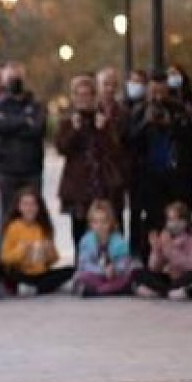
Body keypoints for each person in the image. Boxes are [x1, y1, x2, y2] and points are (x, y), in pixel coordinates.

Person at [126, 73, 192, 262]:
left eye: (161, 91)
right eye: (153, 91)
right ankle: (150, 256)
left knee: (177, 218)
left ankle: (181, 255)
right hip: (149, 176)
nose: (157, 96)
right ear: (147, 91)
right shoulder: (138, 111)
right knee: (152, 219)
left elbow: (190, 138)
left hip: (175, 175)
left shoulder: (179, 110)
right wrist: (145, 123)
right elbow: (130, 141)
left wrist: (171, 124)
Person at [55, 76, 126, 256]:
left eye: (87, 95)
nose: (83, 99)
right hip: (78, 187)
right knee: (79, 231)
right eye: (79, 95)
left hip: (102, 185)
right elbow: (63, 148)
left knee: (107, 229)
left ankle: (111, 270)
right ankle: (83, 271)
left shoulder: (103, 120)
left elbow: (115, 151)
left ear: (94, 96)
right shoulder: (68, 121)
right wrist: (75, 130)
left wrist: (103, 130)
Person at [0, 61, 47, 215]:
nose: (14, 80)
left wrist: (10, 124)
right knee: (8, 216)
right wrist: (24, 120)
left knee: (34, 216)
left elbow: (37, 129)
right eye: (10, 77)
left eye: (17, 76)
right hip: (6, 171)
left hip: (32, 171)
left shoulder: (36, 104)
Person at [134, 201, 192, 300]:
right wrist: (156, 249)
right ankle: (169, 290)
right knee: (140, 273)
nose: (172, 223)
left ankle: (167, 291)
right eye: (169, 219)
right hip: (174, 277)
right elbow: (154, 267)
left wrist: (170, 249)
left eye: (175, 219)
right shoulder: (167, 236)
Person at [0, 189, 73, 296]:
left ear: (38, 207)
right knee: (2, 270)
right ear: (19, 207)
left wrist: (49, 250)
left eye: (33, 204)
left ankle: (38, 287)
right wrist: (21, 250)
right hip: (21, 271)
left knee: (69, 269)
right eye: (25, 204)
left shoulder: (43, 226)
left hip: (39, 273)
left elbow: (54, 260)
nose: (29, 208)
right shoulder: (13, 227)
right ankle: (30, 286)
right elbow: (4, 258)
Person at [72, 200, 138, 297]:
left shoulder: (119, 242)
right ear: (90, 224)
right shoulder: (86, 241)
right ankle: (108, 290)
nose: (100, 226)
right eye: (96, 222)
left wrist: (114, 270)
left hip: (114, 276)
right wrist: (102, 271)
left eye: (104, 222)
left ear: (111, 223)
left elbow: (124, 263)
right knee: (82, 276)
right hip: (95, 274)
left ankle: (98, 291)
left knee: (128, 277)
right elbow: (84, 264)